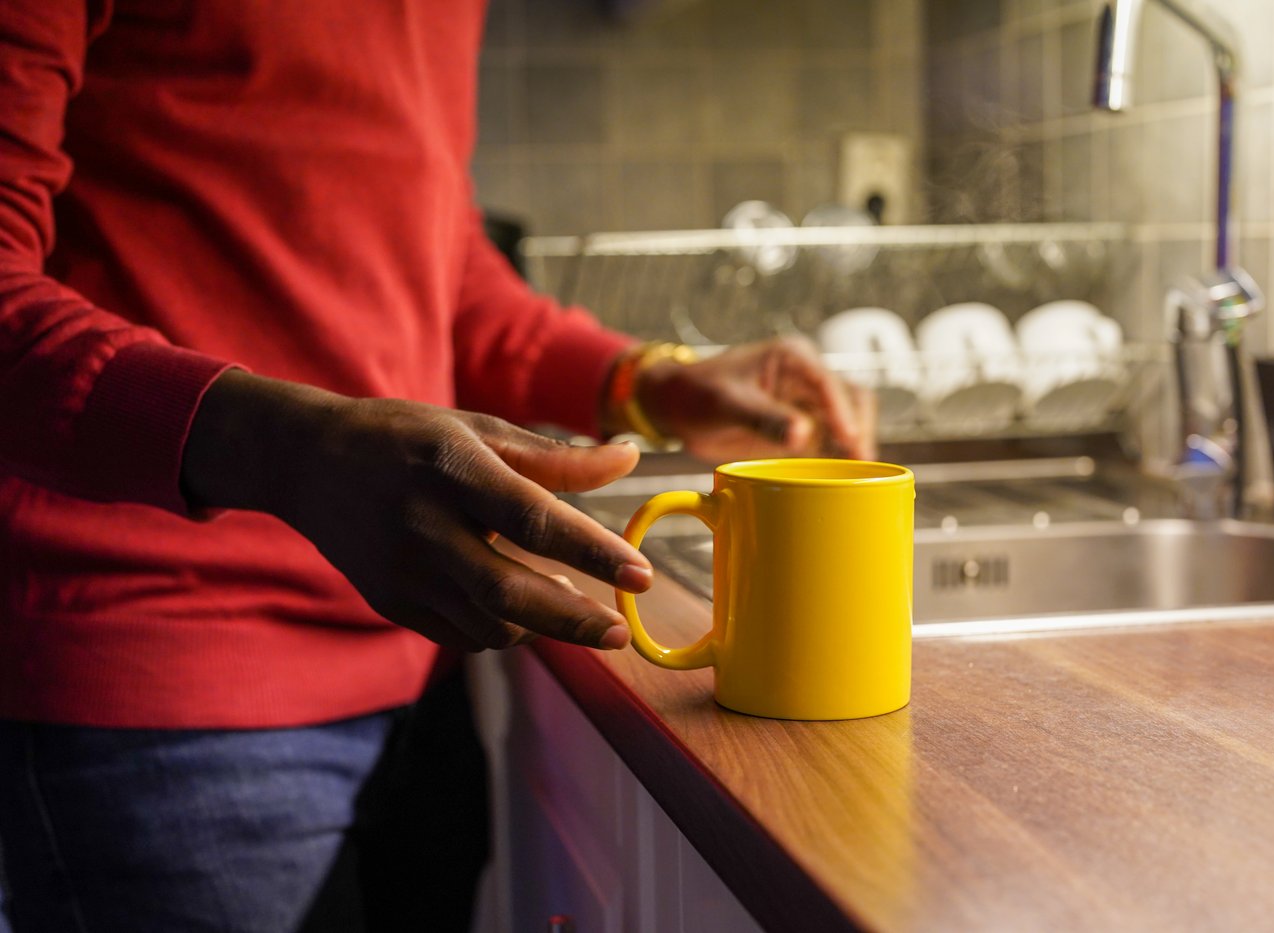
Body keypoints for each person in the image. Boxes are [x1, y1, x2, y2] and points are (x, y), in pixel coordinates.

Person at [0, 2, 875, 931]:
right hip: (167, 685)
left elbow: (435, 257)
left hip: (422, 660)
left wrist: (649, 381)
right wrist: (291, 452)